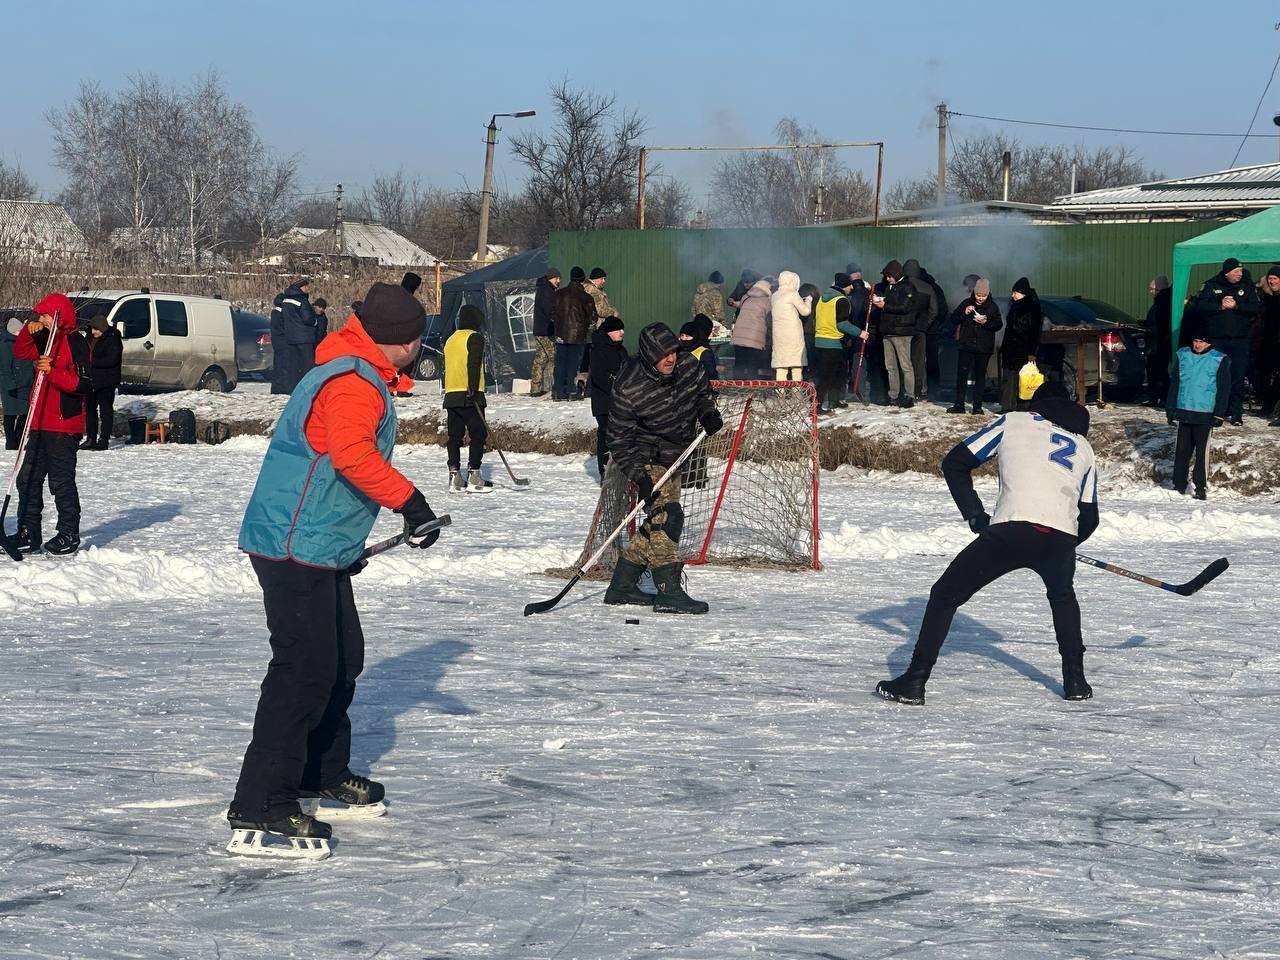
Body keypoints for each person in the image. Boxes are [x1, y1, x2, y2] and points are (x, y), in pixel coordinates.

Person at [231, 281, 439, 853]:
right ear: (402, 342)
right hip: (293, 543)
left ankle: (318, 770)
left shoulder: (356, 370)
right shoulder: (353, 384)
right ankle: (261, 800)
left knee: (343, 657)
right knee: (304, 670)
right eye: (420, 337)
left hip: (315, 542)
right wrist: (410, 501)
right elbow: (351, 455)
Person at [876, 380, 1100, 706]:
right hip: (1060, 535)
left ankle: (914, 681)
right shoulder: (1084, 446)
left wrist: (975, 516)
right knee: (1062, 598)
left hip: (1012, 528)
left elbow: (955, 462)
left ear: (1035, 404)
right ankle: (1076, 681)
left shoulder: (1014, 421)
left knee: (944, 595)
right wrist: (1065, 543)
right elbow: (1089, 517)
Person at [604, 322, 722, 615]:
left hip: (676, 452)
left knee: (660, 517)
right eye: (662, 354)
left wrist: (707, 413)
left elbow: (702, 394)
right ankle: (668, 590)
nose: (670, 359)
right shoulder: (628, 386)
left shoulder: (687, 365)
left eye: (672, 352)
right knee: (667, 516)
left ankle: (622, 584)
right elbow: (618, 439)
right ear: (647, 357)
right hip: (645, 454)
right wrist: (640, 477)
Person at [11, 293, 91, 556]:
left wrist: (52, 371)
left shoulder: (76, 342)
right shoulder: (45, 338)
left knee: (60, 482)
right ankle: (28, 532)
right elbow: (20, 352)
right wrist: (27, 330)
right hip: (39, 422)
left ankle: (69, 533)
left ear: (58, 315)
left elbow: (83, 384)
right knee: (28, 479)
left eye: (45, 315)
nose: (41, 319)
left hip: (63, 425)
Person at [1193, 257, 1260, 425]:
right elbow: (1199, 308)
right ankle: (1217, 412)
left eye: (1241, 271)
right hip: (1217, 340)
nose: (1240, 274)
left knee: (1237, 376)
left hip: (1239, 340)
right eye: (1236, 271)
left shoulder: (1247, 286)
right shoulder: (1211, 285)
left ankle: (1236, 413)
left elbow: (1256, 309)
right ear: (1227, 272)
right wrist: (1219, 306)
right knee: (1216, 377)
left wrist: (1237, 306)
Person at [1166, 331, 1230, 500]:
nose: (1197, 345)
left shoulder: (1218, 359)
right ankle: (1178, 483)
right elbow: (1175, 384)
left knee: (1202, 453)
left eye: (1201, 342)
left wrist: (1219, 414)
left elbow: (1224, 389)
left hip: (1205, 413)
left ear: (1208, 343)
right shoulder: (1183, 355)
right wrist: (1170, 408)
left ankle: (1200, 486)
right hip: (1184, 410)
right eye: (1195, 341)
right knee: (1182, 450)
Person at [442, 305, 491, 493]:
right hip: (470, 394)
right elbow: (474, 363)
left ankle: (454, 475)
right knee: (478, 434)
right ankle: (474, 474)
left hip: (452, 394)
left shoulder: (450, 340)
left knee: (454, 436)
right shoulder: (475, 337)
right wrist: (472, 389)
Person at [948, 278, 1002, 415]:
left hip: (984, 348)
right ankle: (959, 404)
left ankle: (977, 406)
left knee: (980, 377)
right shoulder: (966, 303)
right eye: (978, 295)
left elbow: (998, 325)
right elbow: (953, 319)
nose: (981, 298)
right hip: (966, 345)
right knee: (962, 375)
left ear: (988, 294)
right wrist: (964, 313)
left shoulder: (992, 307)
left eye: (984, 296)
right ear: (974, 293)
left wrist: (986, 322)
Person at [813, 273, 864, 413]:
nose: (851, 288)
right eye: (850, 286)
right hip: (833, 343)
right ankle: (817, 406)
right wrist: (860, 333)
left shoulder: (822, 298)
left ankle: (833, 401)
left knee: (837, 373)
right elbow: (842, 324)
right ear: (845, 286)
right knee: (829, 375)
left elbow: (814, 320)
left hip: (819, 341)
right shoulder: (841, 300)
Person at [876, 260, 920, 407]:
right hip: (888, 331)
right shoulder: (889, 286)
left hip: (902, 332)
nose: (887, 279)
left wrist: (885, 305)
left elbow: (905, 307)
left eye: (889, 276)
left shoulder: (908, 287)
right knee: (890, 366)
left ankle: (909, 396)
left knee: (905, 366)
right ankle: (893, 395)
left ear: (896, 274)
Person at [589, 315, 627, 475]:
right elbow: (599, 376)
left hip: (623, 401)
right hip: (604, 402)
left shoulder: (621, 350)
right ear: (610, 332)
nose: (622, 332)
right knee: (606, 436)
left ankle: (621, 471)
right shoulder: (598, 349)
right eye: (618, 329)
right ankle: (605, 471)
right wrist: (616, 387)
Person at [552, 266, 596, 401]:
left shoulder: (558, 294)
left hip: (560, 335)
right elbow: (593, 317)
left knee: (560, 363)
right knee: (573, 364)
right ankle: (571, 390)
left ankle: (559, 391)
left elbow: (551, 313)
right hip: (578, 336)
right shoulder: (586, 297)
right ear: (582, 280)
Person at [999, 277, 1042, 413]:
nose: (1012, 295)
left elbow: (1035, 332)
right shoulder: (1014, 306)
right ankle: (1007, 406)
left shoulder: (1032, 307)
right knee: (1008, 378)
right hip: (1010, 348)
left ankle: (1022, 406)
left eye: (1015, 292)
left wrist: (1032, 352)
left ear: (1022, 293)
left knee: (1023, 379)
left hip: (1023, 349)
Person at [271, 278, 320, 394]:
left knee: (293, 365)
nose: (308, 289)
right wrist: (315, 322)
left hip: (290, 338)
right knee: (308, 365)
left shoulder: (286, 301)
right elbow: (307, 317)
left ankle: (292, 389)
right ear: (300, 288)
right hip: (304, 337)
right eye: (306, 287)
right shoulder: (301, 300)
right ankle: (310, 389)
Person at [83, 314, 122, 450]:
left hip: (107, 380)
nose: (93, 332)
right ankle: (90, 438)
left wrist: (91, 363)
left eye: (96, 329)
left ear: (102, 328)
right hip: (91, 379)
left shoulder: (113, 337)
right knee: (89, 409)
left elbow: (113, 359)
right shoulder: (89, 337)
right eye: (92, 329)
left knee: (105, 410)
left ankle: (104, 439)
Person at [902, 259, 938, 401]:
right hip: (920, 330)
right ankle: (918, 390)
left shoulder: (901, 285)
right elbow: (934, 311)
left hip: (903, 328)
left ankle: (905, 390)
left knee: (903, 361)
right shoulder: (928, 287)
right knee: (919, 361)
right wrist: (924, 324)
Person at [770, 271, 812, 381]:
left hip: (779, 335)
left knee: (781, 367)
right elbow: (805, 311)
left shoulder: (774, 296)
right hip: (793, 335)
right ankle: (797, 395)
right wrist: (808, 301)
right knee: (796, 366)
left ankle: (781, 394)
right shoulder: (793, 294)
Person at [0, 315, 33, 450]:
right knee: (10, 414)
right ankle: (11, 442)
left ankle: (18, 440)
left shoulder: (23, 343)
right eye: (17, 331)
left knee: (24, 413)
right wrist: (10, 385)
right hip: (11, 386)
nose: (20, 333)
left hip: (24, 384)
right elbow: (4, 368)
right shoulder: (6, 345)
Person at [730, 275, 773, 379]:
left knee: (739, 363)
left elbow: (738, 305)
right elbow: (770, 318)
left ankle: (735, 387)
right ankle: (750, 388)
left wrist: (732, 302)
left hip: (738, 335)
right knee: (752, 365)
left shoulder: (746, 297)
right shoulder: (767, 301)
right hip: (754, 337)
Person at [1253, 266, 1280, 421]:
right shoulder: (1266, 298)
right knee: (1263, 375)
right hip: (1266, 343)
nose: (1271, 281)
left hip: (1277, 341)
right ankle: (1268, 405)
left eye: (1275, 278)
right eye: (1270, 278)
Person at [530, 268, 561, 397]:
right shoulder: (547, 291)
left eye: (559, 278)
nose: (558, 281)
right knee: (554, 358)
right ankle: (553, 387)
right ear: (550, 278)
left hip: (540, 330)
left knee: (540, 359)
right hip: (546, 330)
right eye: (556, 278)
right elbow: (550, 311)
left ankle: (535, 388)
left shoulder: (543, 289)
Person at [844, 263, 872, 402]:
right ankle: (857, 387)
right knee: (860, 362)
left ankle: (857, 388)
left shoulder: (852, 294)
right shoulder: (868, 291)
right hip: (865, 331)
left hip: (854, 332)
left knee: (856, 361)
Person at [678, 315, 718, 382]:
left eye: (687, 336)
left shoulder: (704, 352)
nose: (684, 338)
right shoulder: (677, 350)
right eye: (682, 335)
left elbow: (711, 375)